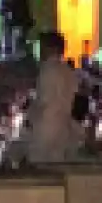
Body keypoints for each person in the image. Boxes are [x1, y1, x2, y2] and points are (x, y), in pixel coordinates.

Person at [27, 31, 85, 164]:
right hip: (63, 127)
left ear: (50, 48)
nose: (39, 51)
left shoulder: (47, 70)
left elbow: (44, 101)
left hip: (45, 128)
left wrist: (30, 115)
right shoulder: (68, 72)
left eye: (42, 46)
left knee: (40, 170)